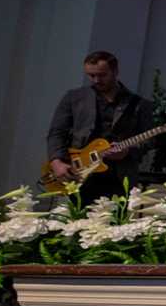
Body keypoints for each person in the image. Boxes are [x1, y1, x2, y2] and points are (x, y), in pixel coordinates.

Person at [45, 50, 156, 202]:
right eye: (91, 75)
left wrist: (128, 151)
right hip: (78, 172)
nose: (96, 80)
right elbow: (57, 132)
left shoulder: (139, 104)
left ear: (115, 72)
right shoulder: (74, 98)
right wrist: (56, 162)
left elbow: (150, 139)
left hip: (118, 177)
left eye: (102, 75)